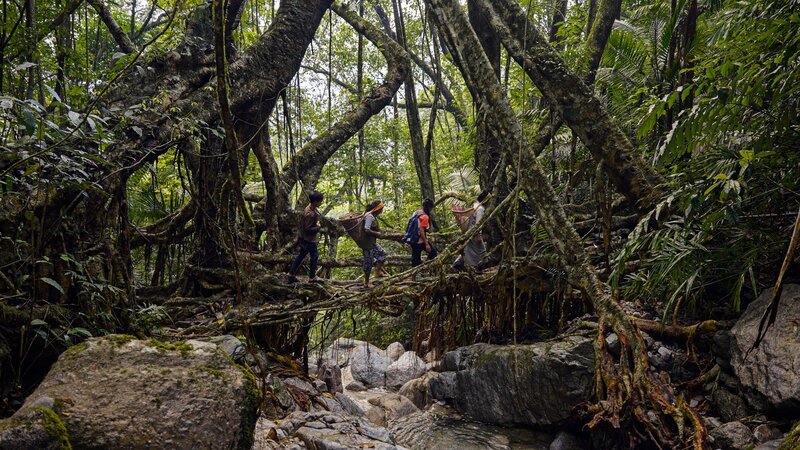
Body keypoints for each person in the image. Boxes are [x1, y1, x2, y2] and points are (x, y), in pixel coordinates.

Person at [288, 191, 324, 282]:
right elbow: (307, 229)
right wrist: (318, 227)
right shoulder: (310, 214)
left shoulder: (309, 208)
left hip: (304, 239)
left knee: (301, 255)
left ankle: (291, 272)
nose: (321, 203)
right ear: (315, 202)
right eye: (320, 201)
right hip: (309, 240)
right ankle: (312, 277)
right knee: (314, 256)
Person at [360, 200, 389, 288]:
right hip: (367, 244)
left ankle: (378, 272)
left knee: (382, 254)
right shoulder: (369, 216)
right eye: (381, 208)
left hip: (371, 243)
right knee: (368, 262)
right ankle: (366, 283)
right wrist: (377, 234)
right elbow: (366, 229)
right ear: (378, 209)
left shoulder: (371, 215)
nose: (382, 210)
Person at [408, 198, 437, 280]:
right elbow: (421, 230)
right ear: (429, 207)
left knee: (415, 260)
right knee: (433, 253)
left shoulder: (417, 212)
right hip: (420, 241)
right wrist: (426, 244)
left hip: (413, 240)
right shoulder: (425, 216)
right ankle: (423, 266)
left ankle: (413, 278)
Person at [462, 190, 488, 269]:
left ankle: (473, 268)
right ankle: (479, 269)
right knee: (482, 252)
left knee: (471, 252)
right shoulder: (480, 209)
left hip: (470, 231)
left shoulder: (475, 205)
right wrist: (478, 234)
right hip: (475, 233)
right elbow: (478, 223)